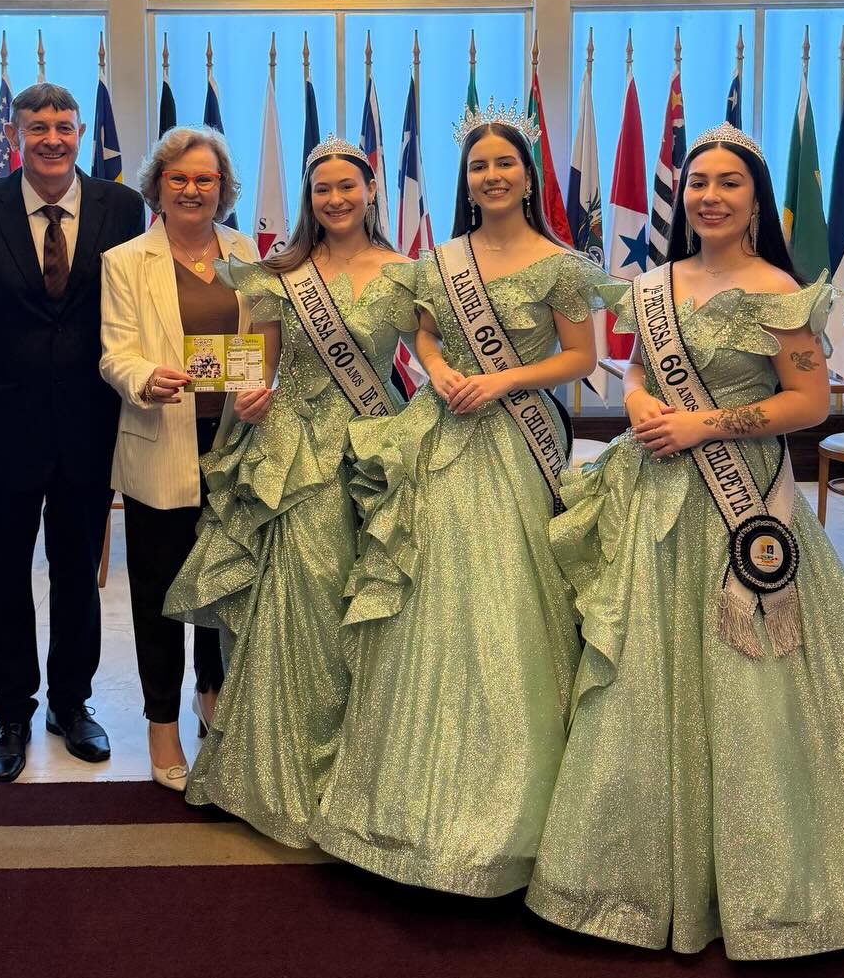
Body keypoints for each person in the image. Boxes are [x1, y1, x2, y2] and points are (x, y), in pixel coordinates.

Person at [526, 124, 844, 958]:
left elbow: (809, 404)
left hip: (742, 505)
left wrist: (704, 425)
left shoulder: (779, 290)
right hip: (654, 496)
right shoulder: (652, 286)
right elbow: (637, 369)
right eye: (699, 183)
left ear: (755, 201)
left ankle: (771, 879)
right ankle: (634, 875)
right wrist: (638, 403)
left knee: (752, 672)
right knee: (642, 672)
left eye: (729, 183)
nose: (710, 196)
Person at [309, 105, 599, 896]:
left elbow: (581, 356)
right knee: (427, 593)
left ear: (529, 177)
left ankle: (512, 814)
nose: (492, 176)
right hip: (441, 433)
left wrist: (502, 380)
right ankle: (403, 804)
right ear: (466, 181)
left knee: (510, 599)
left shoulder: (562, 265)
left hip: (520, 440)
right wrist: (436, 369)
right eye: (479, 166)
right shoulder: (439, 260)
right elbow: (427, 335)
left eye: (505, 163)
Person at [164, 137, 413, 842]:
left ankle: (360, 767)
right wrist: (246, 392)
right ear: (309, 197)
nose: (335, 199)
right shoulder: (281, 273)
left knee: (367, 606)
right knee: (300, 604)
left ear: (371, 190)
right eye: (321, 189)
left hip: (372, 450)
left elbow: (428, 358)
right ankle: (283, 768)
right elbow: (258, 365)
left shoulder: (408, 273)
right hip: (294, 459)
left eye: (347, 186)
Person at [0, 83, 144, 783]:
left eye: (64, 126)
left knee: (79, 575)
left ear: (80, 133)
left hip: (89, 430)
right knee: (1, 576)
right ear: (14, 135)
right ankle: (11, 712)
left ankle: (71, 704)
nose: (52, 138)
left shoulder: (121, 207)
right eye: (38, 127)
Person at [99, 127, 257, 790]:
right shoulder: (125, 260)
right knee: (161, 592)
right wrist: (144, 377)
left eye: (205, 178)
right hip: (161, 436)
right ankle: (161, 721)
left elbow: (265, 341)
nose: (192, 189)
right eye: (179, 178)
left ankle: (212, 692)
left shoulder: (247, 252)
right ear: (157, 186)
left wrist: (265, 386)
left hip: (235, 445)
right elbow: (115, 352)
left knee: (225, 580)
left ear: (224, 188)